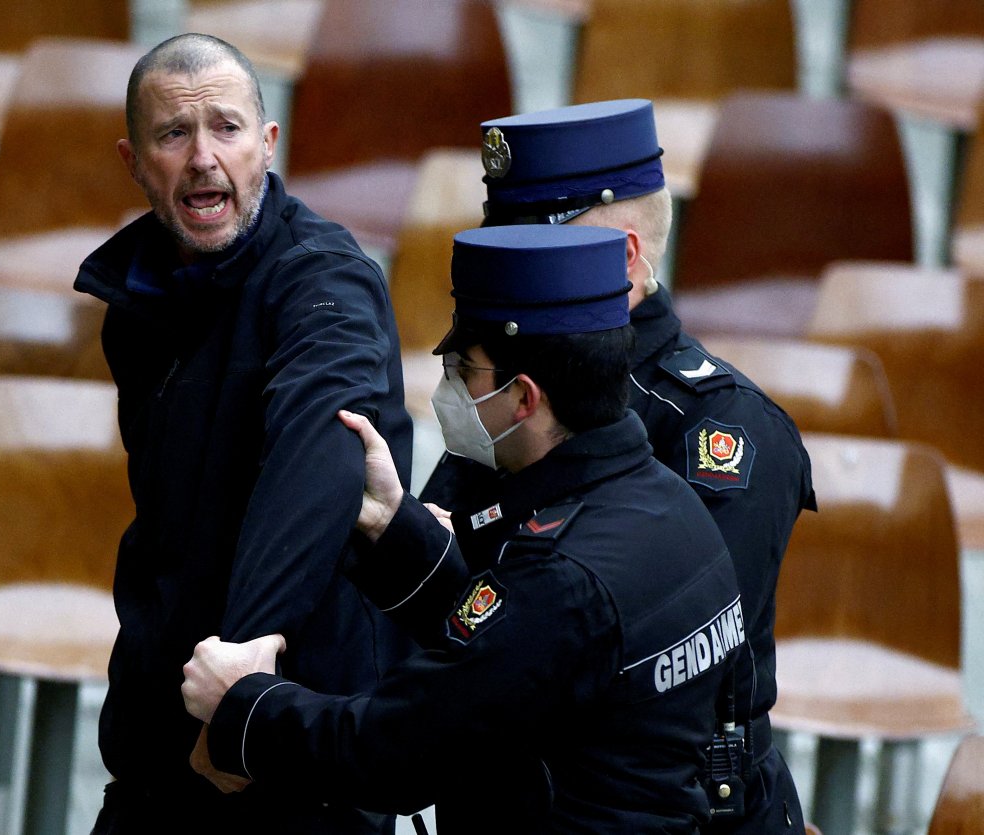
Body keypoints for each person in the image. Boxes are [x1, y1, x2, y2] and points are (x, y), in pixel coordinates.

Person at [182, 224, 748, 833]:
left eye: (463, 370)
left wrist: (245, 705)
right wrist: (392, 524)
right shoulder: (667, 504)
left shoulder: (563, 576)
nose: (449, 388)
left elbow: (395, 750)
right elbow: (516, 657)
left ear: (524, 397)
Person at [422, 99, 817, 833]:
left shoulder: (721, 428)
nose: (508, 264)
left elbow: (636, 667)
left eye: (535, 242)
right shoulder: (511, 388)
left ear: (626, 258)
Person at [74, 33, 414, 833]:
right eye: (173, 134)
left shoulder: (325, 281)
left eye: (226, 128)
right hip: (161, 749)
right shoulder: (137, 306)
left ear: (267, 144)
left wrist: (244, 682)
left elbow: (319, 459)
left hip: (290, 755)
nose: (203, 158)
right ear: (133, 160)